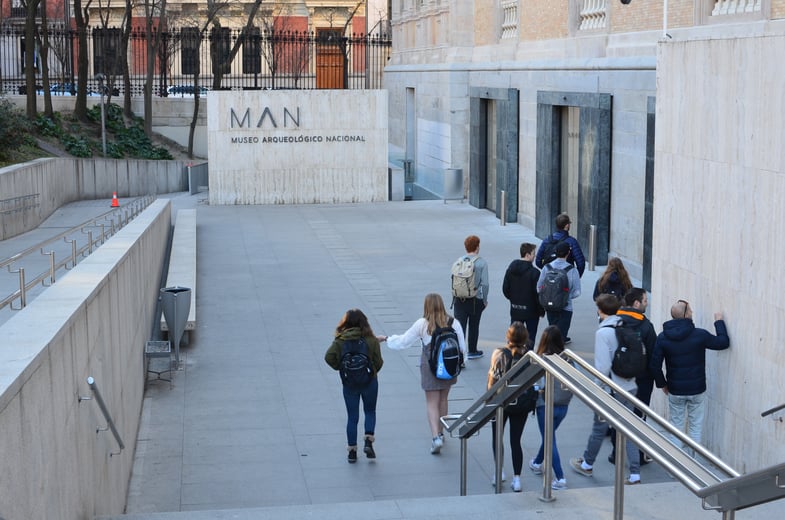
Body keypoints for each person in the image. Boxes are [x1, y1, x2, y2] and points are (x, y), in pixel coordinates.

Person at [382, 293, 468, 454]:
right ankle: (442, 434)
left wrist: (387, 339)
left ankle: (435, 437)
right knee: (443, 399)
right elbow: (463, 348)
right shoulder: (453, 322)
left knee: (431, 402)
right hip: (449, 367)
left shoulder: (422, 323)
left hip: (430, 367)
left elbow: (403, 341)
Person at [570, 294, 642, 485]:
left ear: (600, 310)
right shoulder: (624, 326)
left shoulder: (603, 333)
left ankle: (587, 464)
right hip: (630, 386)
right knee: (628, 430)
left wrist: (596, 388)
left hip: (612, 390)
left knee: (599, 428)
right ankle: (635, 473)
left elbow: (603, 368)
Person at [650, 299, 730, 452]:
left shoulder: (663, 337)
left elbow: (654, 365)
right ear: (686, 314)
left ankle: (675, 468)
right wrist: (719, 322)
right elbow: (722, 342)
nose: (692, 312)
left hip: (675, 390)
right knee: (695, 428)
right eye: (691, 310)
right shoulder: (699, 335)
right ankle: (692, 469)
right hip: (696, 390)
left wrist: (663, 384)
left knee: (676, 428)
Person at [324, 309, 384, 464]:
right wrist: (372, 371)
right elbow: (379, 362)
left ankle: (352, 452)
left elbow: (328, 357)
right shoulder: (370, 340)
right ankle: (369, 441)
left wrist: (341, 367)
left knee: (352, 417)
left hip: (349, 383)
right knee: (370, 411)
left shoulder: (340, 341)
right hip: (370, 382)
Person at [607, 287, 657, 465]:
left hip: (617, 378)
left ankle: (616, 452)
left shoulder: (613, 322)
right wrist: (658, 380)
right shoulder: (646, 326)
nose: (647, 303)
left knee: (618, 416)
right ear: (636, 303)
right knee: (639, 418)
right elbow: (653, 356)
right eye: (645, 301)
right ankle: (639, 456)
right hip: (642, 380)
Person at [487, 322, 532, 492]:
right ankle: (517, 478)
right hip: (521, 403)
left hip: (500, 402)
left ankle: (499, 472)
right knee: (516, 441)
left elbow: (492, 379)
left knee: (497, 437)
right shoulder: (529, 357)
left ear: (508, 336)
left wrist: (488, 400)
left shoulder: (499, 353)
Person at [529, 325, 573, 490]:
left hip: (545, 406)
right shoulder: (567, 358)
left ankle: (560, 477)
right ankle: (537, 462)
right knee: (550, 437)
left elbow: (537, 385)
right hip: (563, 406)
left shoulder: (541, 360)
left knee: (550, 440)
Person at [452, 235, 489, 359]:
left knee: (460, 327)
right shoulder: (481, 262)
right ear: (477, 247)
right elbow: (485, 284)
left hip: (458, 299)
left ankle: (459, 354)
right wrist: (484, 300)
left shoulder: (459, 261)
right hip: (475, 299)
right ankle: (472, 351)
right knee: (474, 325)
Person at [536, 241, 581, 342]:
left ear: (555, 252)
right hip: (566, 307)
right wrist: (566, 296)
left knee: (552, 332)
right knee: (561, 336)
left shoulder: (546, 268)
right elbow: (577, 292)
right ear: (568, 253)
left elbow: (539, 287)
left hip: (550, 305)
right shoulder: (572, 270)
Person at [502, 242, 544, 345]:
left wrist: (513, 299)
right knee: (530, 337)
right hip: (531, 311)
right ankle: (528, 358)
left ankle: (513, 356)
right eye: (533, 253)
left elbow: (505, 289)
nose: (535, 256)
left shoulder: (511, 269)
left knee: (514, 336)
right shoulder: (535, 273)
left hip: (515, 309)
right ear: (527, 255)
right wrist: (541, 310)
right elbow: (537, 294)